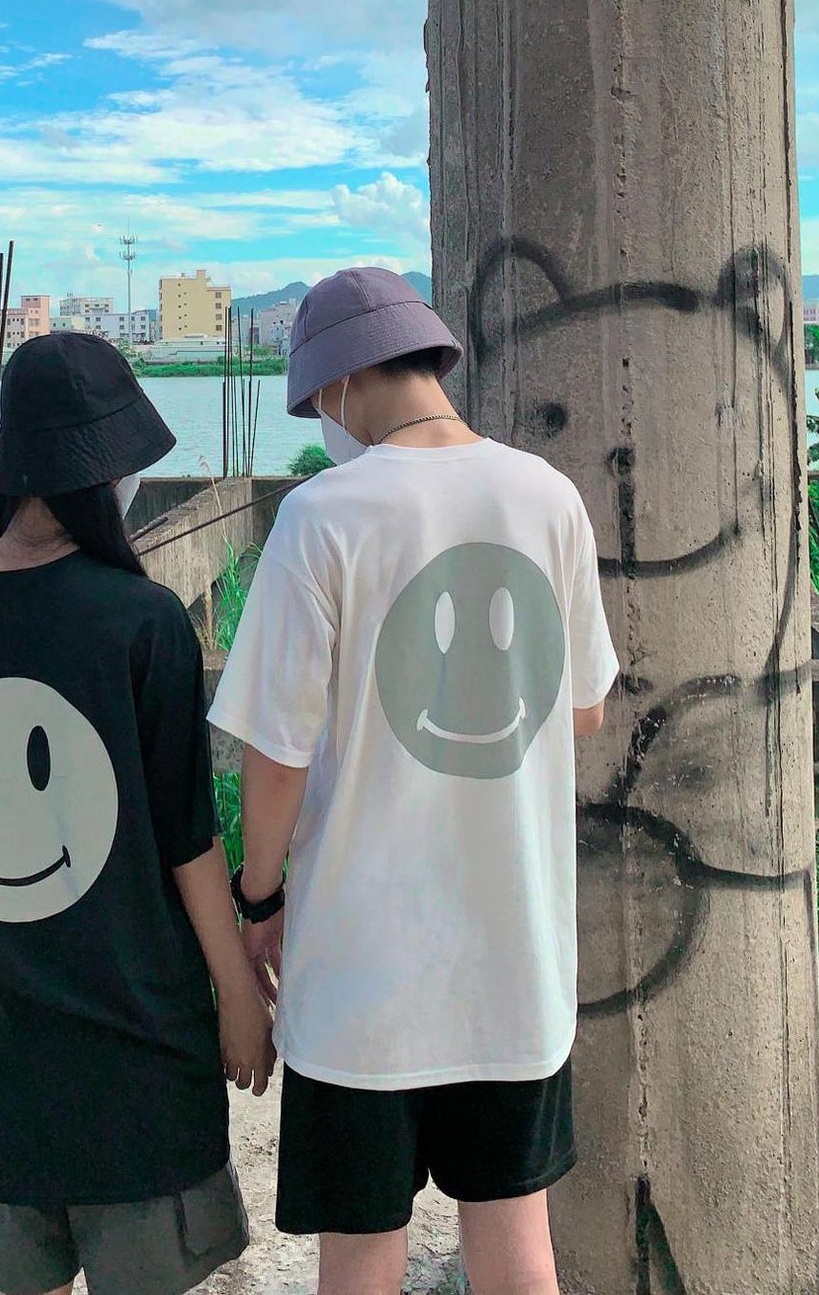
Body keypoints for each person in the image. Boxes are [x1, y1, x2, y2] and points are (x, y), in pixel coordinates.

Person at [209, 267, 619, 1295]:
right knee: (514, 1241)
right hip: (513, 967)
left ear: (338, 382)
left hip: (360, 981)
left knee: (359, 1254)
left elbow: (276, 752)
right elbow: (582, 707)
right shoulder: (546, 496)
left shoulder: (322, 516)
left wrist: (259, 897)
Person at [0, 332, 274, 1295]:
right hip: (138, 1054)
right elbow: (190, 841)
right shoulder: (144, 620)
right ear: (108, 472)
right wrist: (240, 996)